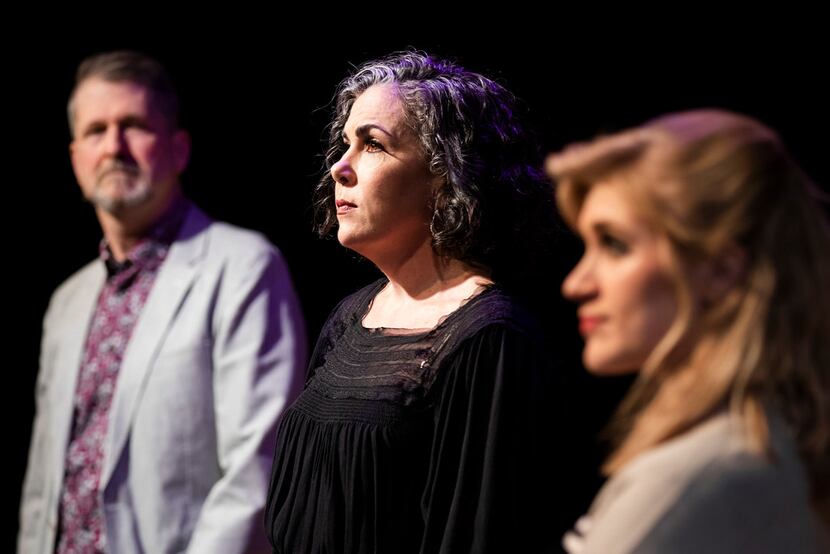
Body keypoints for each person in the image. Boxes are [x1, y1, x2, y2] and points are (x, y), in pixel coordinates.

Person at [265, 51, 565, 553]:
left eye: (373, 146)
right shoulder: (351, 317)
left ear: (447, 176)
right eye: (345, 145)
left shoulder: (488, 339)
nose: (340, 167)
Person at [18, 50, 307, 553]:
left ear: (178, 149)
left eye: (134, 126)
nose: (114, 147)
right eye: (95, 131)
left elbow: (257, 467)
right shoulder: (66, 302)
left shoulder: (243, 268)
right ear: (75, 159)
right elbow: (43, 486)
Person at [548, 109, 830, 553]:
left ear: (720, 270)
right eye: (587, 246)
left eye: (615, 245)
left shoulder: (702, 475)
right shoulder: (755, 448)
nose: (576, 284)